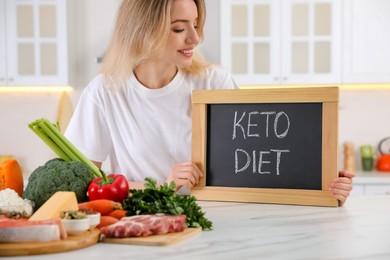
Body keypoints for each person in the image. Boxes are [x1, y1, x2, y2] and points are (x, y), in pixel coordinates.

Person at [65, 0, 354, 206]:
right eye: (179, 28)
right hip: (143, 229)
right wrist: (161, 186)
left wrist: (319, 182)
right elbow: (84, 186)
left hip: (216, 225)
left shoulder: (214, 83)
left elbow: (257, 167)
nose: (195, 37)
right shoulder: (104, 93)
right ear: (143, 31)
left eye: (196, 24)